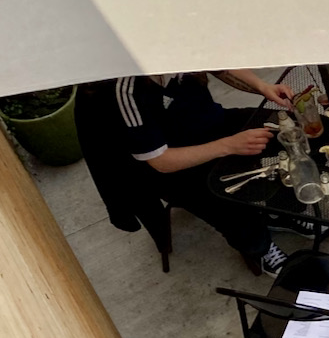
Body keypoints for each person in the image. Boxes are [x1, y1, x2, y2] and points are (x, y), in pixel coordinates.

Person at [81, 70, 294, 275]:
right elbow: (159, 160)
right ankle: (261, 249)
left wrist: (263, 86)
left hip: (212, 124)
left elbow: (221, 68)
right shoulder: (126, 90)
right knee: (225, 204)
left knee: (286, 130)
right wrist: (229, 146)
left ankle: (277, 212)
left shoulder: (177, 46)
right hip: (176, 167)